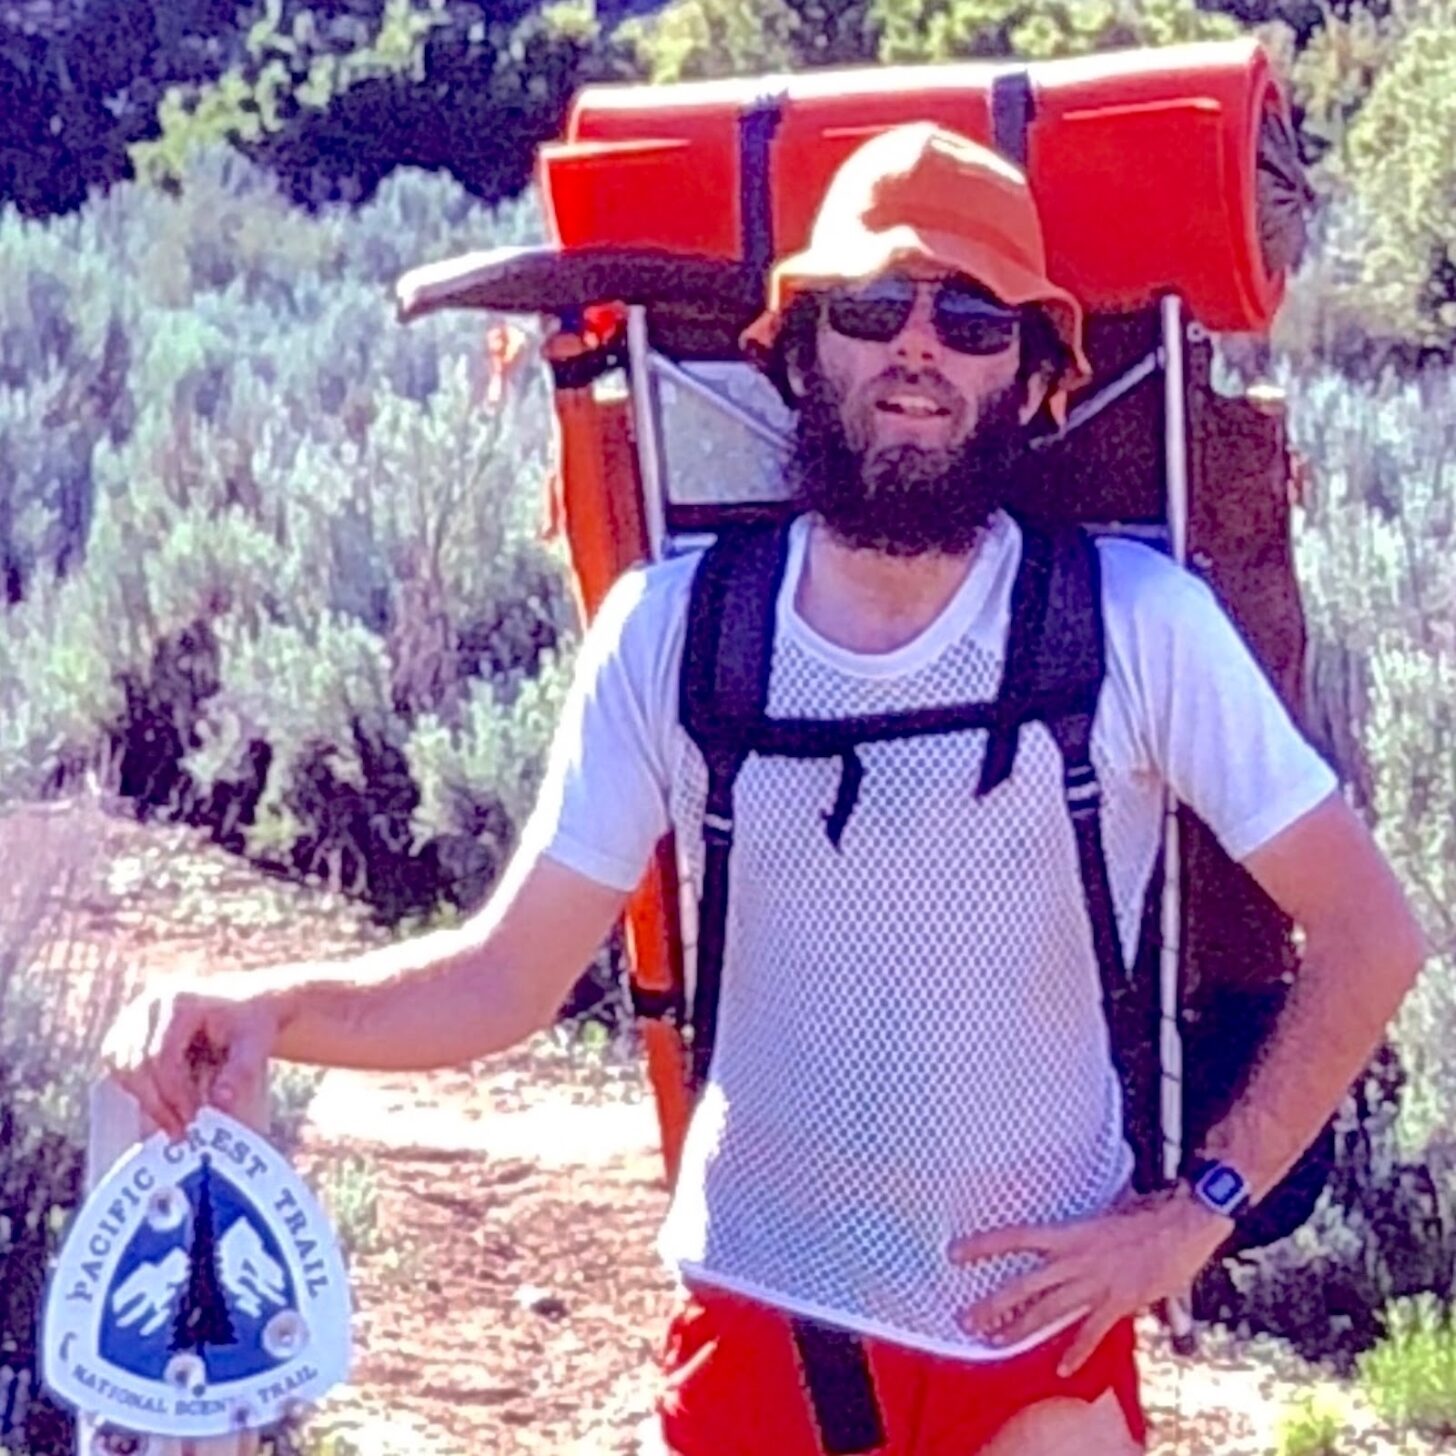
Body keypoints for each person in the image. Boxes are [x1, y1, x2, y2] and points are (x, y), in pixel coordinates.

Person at [105, 124, 1427, 1456]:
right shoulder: (674, 633)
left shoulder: (1134, 627)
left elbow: (1374, 933)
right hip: (758, 1341)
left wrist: (1197, 1209)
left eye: (974, 320)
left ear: (1033, 381)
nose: (921, 346)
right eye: (871, 309)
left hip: (1041, 1353)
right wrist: (265, 1010)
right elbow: (506, 979)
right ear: (801, 353)